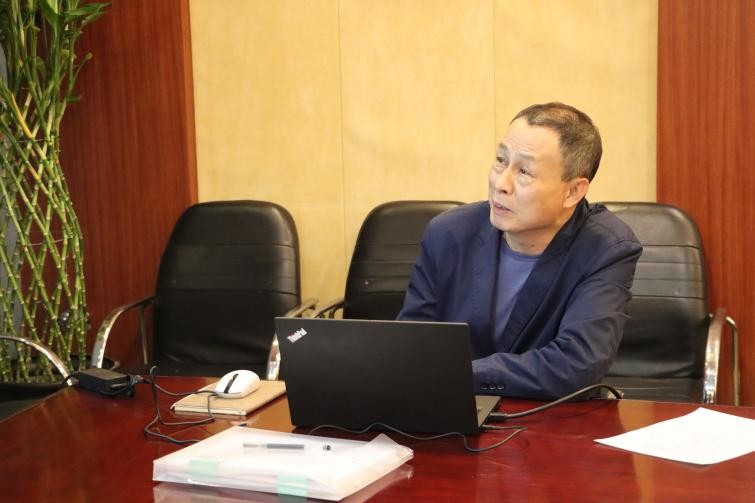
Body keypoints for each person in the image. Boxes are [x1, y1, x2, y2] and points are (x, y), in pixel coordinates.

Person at [398, 102, 642, 399]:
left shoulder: (605, 248)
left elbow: (577, 364)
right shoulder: (448, 234)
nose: (501, 183)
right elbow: (412, 345)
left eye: (524, 171)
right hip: (452, 409)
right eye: (501, 160)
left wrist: (458, 374)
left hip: (555, 416)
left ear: (573, 191)